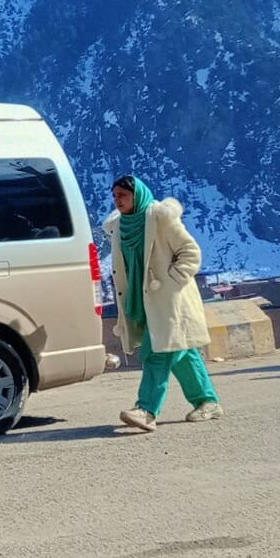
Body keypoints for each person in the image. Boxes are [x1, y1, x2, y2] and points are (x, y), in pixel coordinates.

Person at [103, 176, 223, 433]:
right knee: (182, 353)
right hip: (146, 302)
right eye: (115, 196)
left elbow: (190, 252)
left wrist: (172, 281)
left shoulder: (161, 218)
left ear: (137, 195)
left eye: (123, 195)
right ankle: (207, 402)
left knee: (157, 353)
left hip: (170, 303)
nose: (118, 200)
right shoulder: (120, 227)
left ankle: (146, 410)